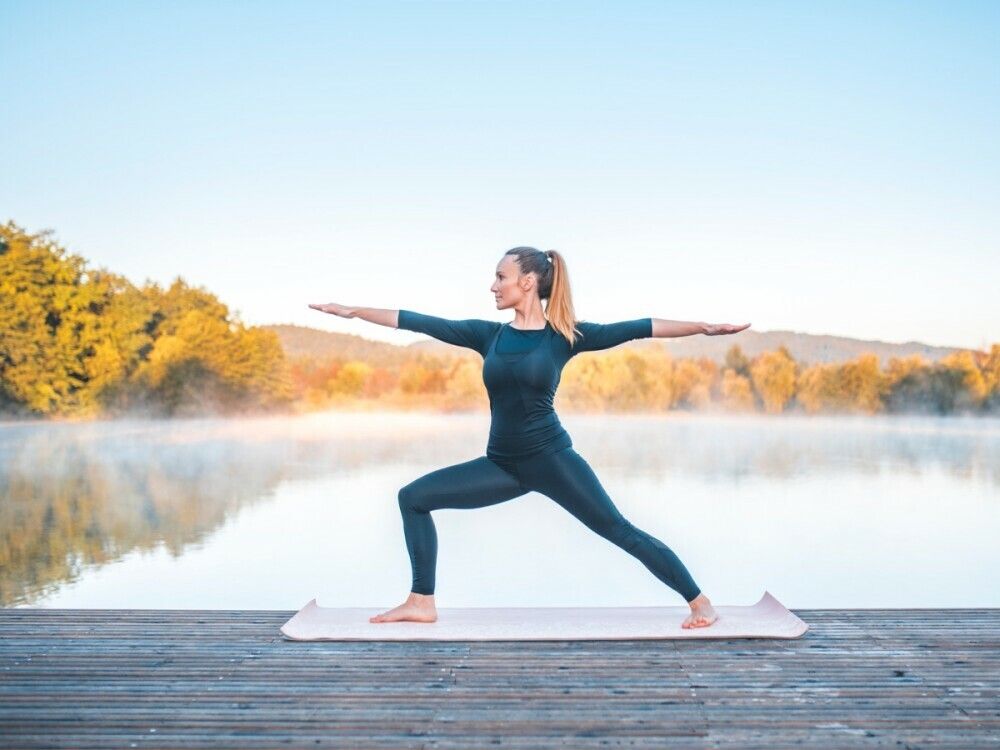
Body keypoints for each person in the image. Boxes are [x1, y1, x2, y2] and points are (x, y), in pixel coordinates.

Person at [309, 247, 750, 629]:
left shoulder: (566, 337)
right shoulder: (488, 336)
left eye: (500, 277)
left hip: (553, 461)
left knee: (619, 530)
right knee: (413, 497)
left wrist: (703, 327)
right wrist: (354, 312)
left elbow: (640, 326)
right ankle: (421, 601)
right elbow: (418, 321)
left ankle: (700, 602)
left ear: (528, 281)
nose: (493, 286)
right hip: (501, 466)